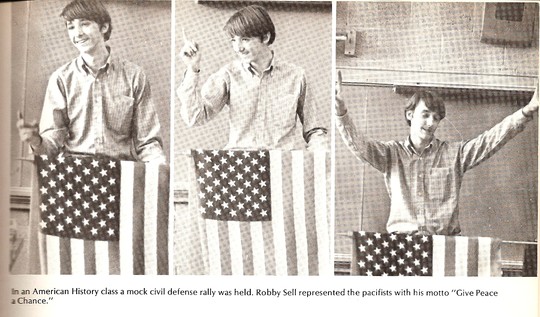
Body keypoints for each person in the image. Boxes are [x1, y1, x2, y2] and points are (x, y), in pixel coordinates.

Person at [335, 71, 538, 235]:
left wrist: (527, 111)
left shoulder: (455, 154)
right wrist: (341, 114)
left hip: (445, 249)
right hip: (403, 247)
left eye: (436, 118)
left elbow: (490, 140)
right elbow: (360, 146)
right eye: (425, 115)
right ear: (410, 115)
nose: (431, 123)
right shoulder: (391, 154)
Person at [17, 0, 166, 163]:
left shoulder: (134, 76)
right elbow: (51, 144)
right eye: (71, 27)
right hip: (76, 173)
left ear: (104, 27)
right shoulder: (61, 79)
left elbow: (148, 142)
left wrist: (161, 171)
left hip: (121, 173)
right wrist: (36, 141)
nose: (77, 33)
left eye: (85, 24)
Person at [176, 5, 327, 151]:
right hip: (239, 165)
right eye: (233, 40)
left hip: (279, 167)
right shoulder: (228, 75)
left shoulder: (296, 76)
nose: (238, 47)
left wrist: (318, 155)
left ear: (266, 37)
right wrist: (192, 68)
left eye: (245, 39)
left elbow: (315, 130)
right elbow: (194, 117)